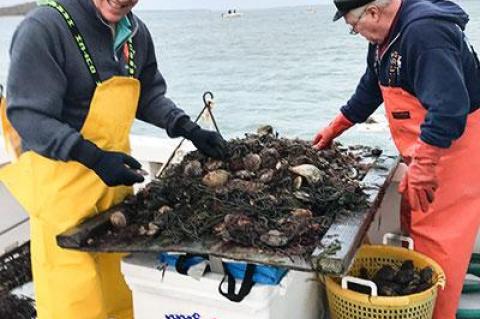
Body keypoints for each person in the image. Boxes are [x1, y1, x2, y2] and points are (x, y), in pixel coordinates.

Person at [0, 0, 226, 318]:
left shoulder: (135, 33)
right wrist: (91, 156)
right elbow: (28, 116)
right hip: (61, 205)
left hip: (114, 200)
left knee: (123, 302)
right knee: (75, 306)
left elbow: (147, 95)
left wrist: (186, 127)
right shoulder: (45, 27)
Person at [312, 0, 480, 318]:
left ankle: (436, 313)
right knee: (416, 228)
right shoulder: (385, 37)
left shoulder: (424, 33)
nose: (356, 32)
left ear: (373, 12)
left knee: (439, 248)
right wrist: (336, 126)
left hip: (453, 152)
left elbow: (449, 107)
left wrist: (427, 163)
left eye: (353, 27)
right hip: (423, 151)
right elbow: (371, 87)